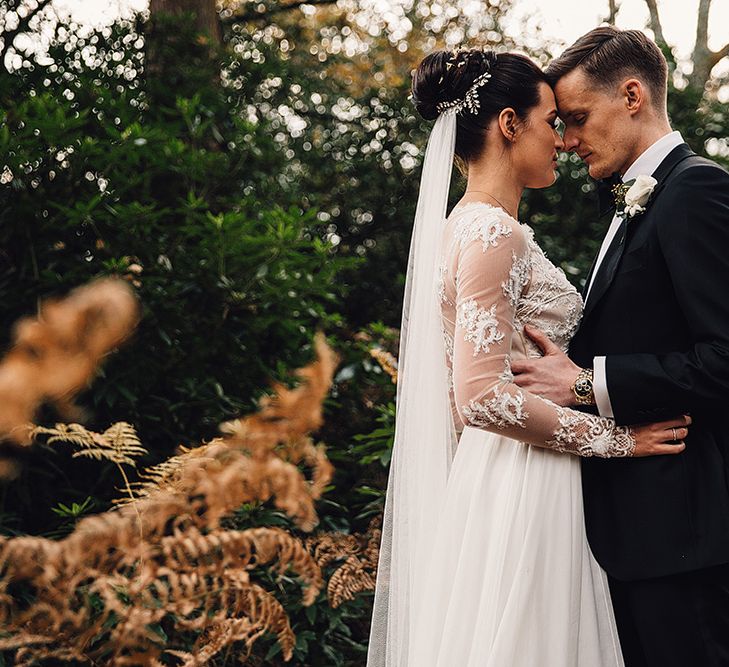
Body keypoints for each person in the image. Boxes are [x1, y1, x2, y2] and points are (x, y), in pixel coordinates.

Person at [366, 46, 688, 667]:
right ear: (509, 125)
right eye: (550, 121)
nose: (562, 142)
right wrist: (618, 439)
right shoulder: (492, 234)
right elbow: (481, 395)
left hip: (508, 467)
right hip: (530, 472)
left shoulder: (463, 225)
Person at [510, 27, 729, 667]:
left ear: (632, 94)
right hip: (642, 532)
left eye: (577, 119)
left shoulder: (696, 192)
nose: (567, 139)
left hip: (689, 528)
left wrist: (585, 384)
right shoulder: (637, 203)